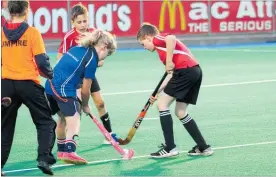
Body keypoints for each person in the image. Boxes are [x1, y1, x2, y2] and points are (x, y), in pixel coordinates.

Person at [136, 23, 214, 158]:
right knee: (180, 111)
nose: (144, 48)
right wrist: (156, 92)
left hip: (185, 71)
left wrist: (169, 61)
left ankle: (170, 147)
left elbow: (171, 37)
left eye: (143, 44)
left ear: (147, 37)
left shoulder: (157, 39)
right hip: (194, 71)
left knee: (162, 105)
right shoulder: (162, 51)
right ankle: (203, 147)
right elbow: (171, 75)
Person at [44, 30, 117, 164]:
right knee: (75, 118)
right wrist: (85, 105)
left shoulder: (77, 48)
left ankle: (61, 151)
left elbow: (70, 70)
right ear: (104, 47)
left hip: (49, 86)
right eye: (107, 54)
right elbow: (86, 89)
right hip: (63, 89)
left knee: (62, 117)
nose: (104, 58)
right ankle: (70, 151)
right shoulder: (92, 58)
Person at [1, 0, 56, 175]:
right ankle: (43, 158)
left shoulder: (1, 33)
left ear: (9, 11)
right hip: (29, 84)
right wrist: (50, 75)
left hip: (6, 85)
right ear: (27, 11)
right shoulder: (33, 33)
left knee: (5, 126)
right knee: (45, 122)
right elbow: (41, 60)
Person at [56, 3, 115, 147]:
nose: (83, 25)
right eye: (79, 22)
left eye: (85, 21)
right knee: (75, 112)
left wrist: (99, 61)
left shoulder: (94, 33)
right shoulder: (69, 37)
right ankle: (68, 144)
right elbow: (60, 58)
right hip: (74, 78)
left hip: (89, 74)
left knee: (100, 103)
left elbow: (101, 52)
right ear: (72, 22)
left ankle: (109, 135)